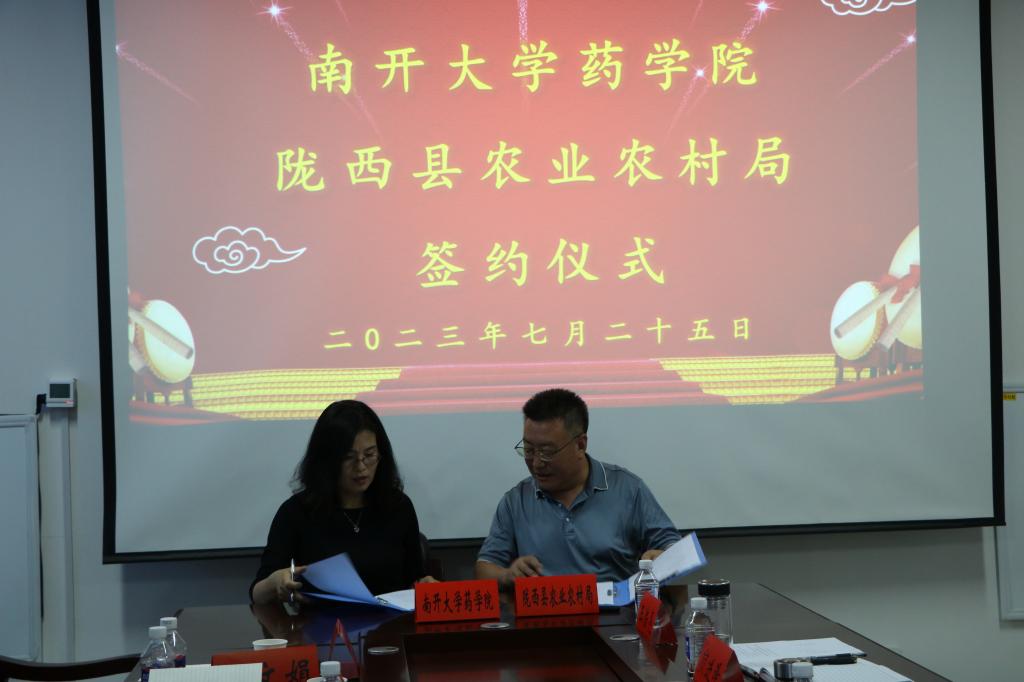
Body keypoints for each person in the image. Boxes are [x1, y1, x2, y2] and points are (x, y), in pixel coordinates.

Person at [476, 388, 681, 586]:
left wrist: (662, 556)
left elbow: (672, 546)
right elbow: (485, 567)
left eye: (547, 452)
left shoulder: (627, 489)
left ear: (580, 445)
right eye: (529, 450)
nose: (537, 463)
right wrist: (508, 575)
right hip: (545, 608)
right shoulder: (516, 501)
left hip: (615, 608)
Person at [251, 400, 434, 604]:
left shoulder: (398, 506)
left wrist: (426, 584)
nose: (361, 467)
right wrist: (274, 583)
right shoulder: (296, 512)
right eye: (349, 457)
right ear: (326, 460)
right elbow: (257, 593)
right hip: (321, 623)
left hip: (392, 621)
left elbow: (416, 579)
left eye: (369, 455)